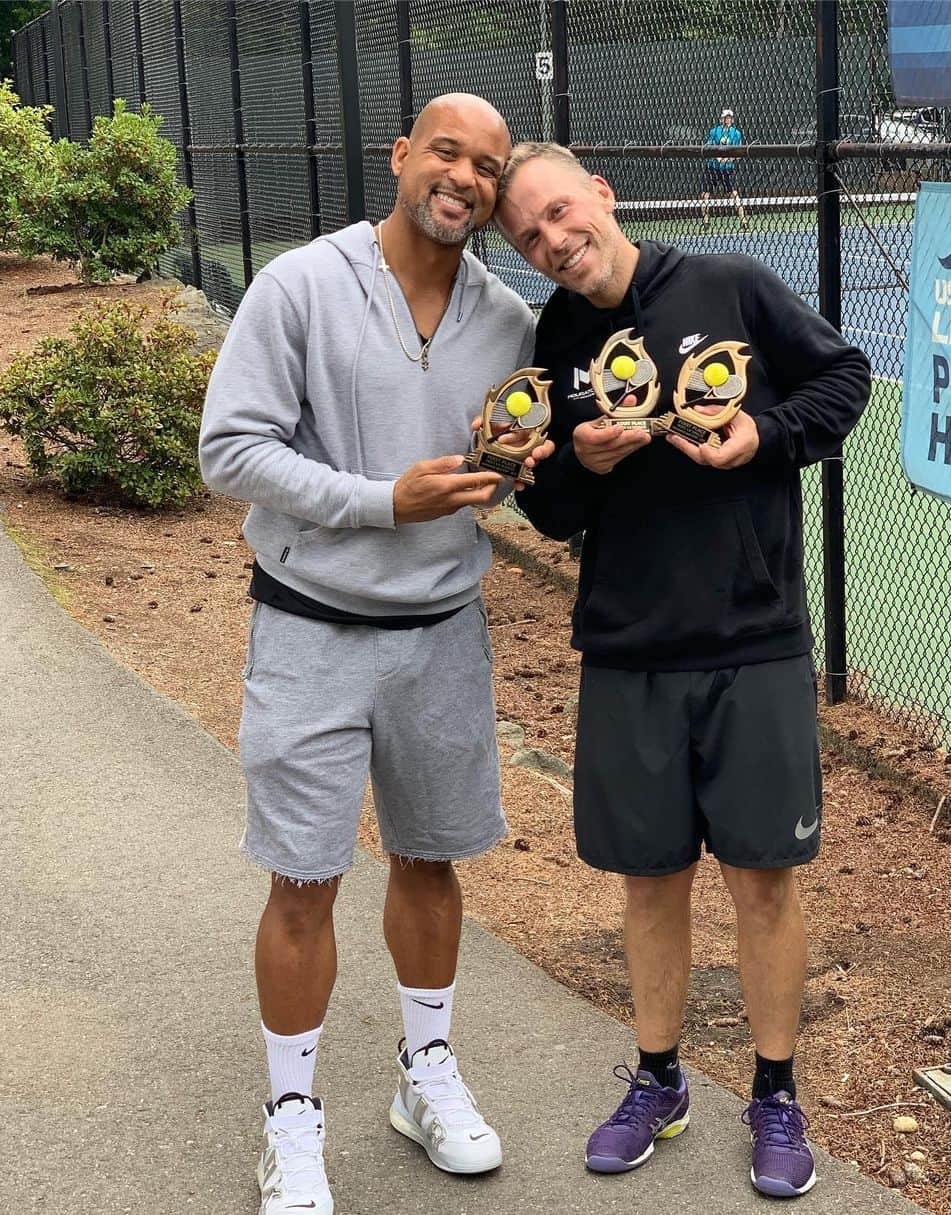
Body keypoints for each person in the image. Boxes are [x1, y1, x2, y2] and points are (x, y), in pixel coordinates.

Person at [495, 142, 870, 1198]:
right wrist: (581, 463)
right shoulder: (556, 341)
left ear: (602, 196)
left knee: (763, 880)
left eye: (563, 213)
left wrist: (763, 437)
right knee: (649, 882)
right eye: (530, 235)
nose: (556, 242)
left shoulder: (729, 284)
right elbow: (550, 508)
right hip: (627, 649)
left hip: (752, 639)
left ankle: (776, 1093)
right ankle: (657, 1080)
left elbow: (844, 378)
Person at [200, 94, 545, 1215]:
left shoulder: (510, 323)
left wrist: (544, 473)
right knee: (303, 880)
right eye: (447, 152)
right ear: (401, 155)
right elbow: (230, 450)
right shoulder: (299, 284)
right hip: (308, 627)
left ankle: (424, 1075)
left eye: (488, 168)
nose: (465, 177)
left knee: (430, 861)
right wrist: (378, 501)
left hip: (443, 634)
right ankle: (291, 1121)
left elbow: (516, 465)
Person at [702, 107, 748, 226]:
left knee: (734, 193)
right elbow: (710, 147)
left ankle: (743, 220)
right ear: (721, 119)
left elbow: (738, 153)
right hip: (712, 167)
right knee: (706, 194)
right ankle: (706, 221)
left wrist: (728, 159)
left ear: (732, 120)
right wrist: (718, 158)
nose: (727, 120)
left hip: (728, 169)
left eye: (729, 118)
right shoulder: (714, 131)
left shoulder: (736, 133)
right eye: (725, 117)